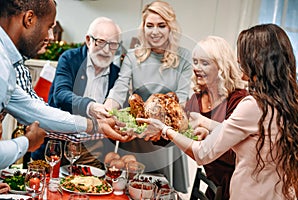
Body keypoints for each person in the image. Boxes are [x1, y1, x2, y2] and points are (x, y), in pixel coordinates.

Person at [138, 24, 298, 200]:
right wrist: (209, 127)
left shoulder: (253, 104)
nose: (238, 59)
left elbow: (202, 153)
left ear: (257, 60)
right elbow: (253, 136)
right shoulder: (288, 103)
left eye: (242, 54)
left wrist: (164, 129)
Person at [0, 0, 132, 169]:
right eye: (49, 27)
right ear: (29, 19)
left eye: (113, 45)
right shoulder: (4, 66)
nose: (50, 37)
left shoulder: (9, 64)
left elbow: (35, 110)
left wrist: (96, 125)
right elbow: (59, 96)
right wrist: (26, 142)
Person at [104, 0, 193, 192]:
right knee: (130, 189)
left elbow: (182, 100)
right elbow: (120, 88)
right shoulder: (133, 56)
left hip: (167, 138)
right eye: (149, 25)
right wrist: (107, 109)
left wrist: (162, 127)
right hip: (139, 138)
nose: (155, 31)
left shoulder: (184, 58)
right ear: (143, 28)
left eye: (161, 25)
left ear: (171, 28)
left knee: (162, 192)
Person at [44, 17, 122, 168]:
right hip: (58, 147)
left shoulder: (117, 74)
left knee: (89, 187)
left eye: (113, 45)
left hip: (94, 153)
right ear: (88, 40)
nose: (106, 50)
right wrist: (91, 107)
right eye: (101, 42)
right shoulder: (69, 59)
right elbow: (60, 94)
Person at [183, 36, 248, 200]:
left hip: (237, 187)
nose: (197, 68)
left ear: (221, 67)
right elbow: (180, 132)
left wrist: (205, 133)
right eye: (195, 62)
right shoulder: (198, 98)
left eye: (205, 63)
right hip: (214, 185)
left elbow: (236, 153)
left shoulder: (239, 100)